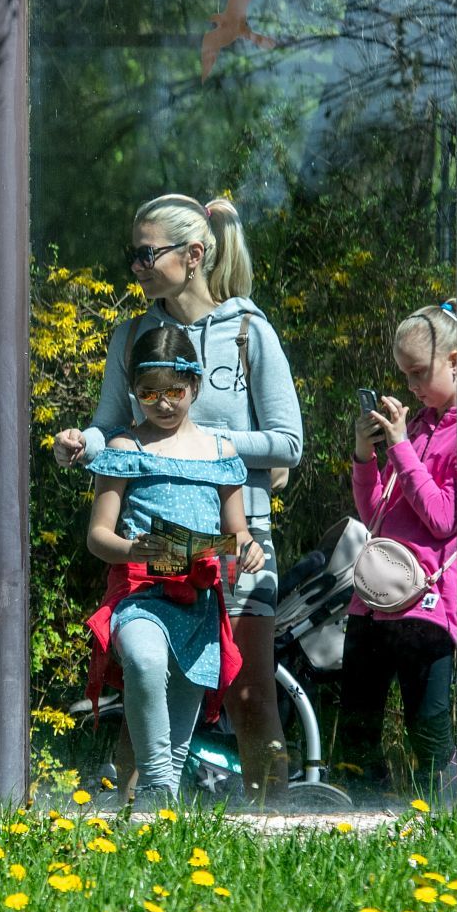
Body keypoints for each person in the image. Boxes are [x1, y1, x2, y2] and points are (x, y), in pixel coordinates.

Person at [54, 194, 302, 802]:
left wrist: (203, 444)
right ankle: (134, 823)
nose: (135, 266)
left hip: (233, 537)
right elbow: (111, 422)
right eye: (131, 254)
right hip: (150, 541)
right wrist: (81, 443)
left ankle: (273, 823)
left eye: (146, 253)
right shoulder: (133, 333)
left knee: (248, 689)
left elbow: (288, 442)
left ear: (192, 256)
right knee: (146, 676)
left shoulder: (250, 331)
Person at [83, 328, 262, 809]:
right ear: (134, 393)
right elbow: (98, 535)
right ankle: (156, 786)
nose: (162, 404)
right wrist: (132, 549)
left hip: (200, 604)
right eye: (148, 394)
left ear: (196, 386)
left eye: (174, 392)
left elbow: (237, 531)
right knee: (144, 661)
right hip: (140, 596)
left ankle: (160, 814)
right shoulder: (123, 448)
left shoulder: (221, 453)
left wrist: (248, 549)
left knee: (180, 733)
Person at [342, 302, 457, 802]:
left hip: (428, 602)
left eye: (420, 373)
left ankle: (443, 828)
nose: (413, 386)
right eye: (405, 375)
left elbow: (443, 517)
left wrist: (401, 447)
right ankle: (362, 823)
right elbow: (375, 512)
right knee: (356, 725)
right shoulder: (419, 424)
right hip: (374, 597)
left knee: (428, 731)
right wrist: (364, 453)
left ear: (455, 362)